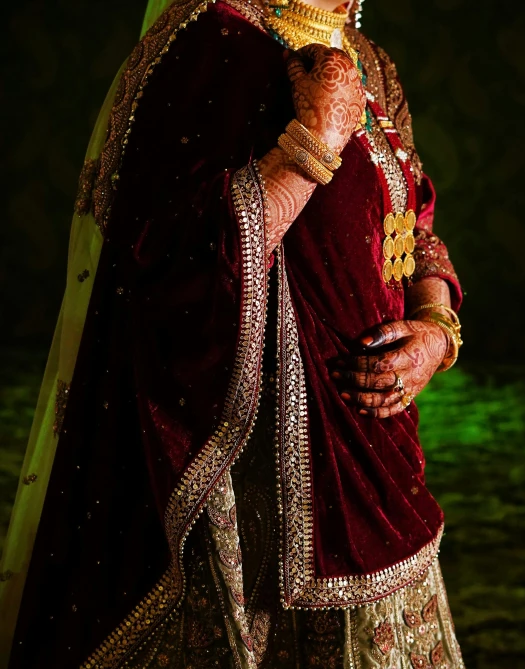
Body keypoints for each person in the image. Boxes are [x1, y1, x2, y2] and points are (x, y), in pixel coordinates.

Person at [0, 0, 465, 666]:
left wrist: (436, 329)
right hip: (257, 470)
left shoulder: (371, 64)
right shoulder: (210, 41)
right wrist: (312, 144)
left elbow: (415, 223)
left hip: (378, 451)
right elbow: (167, 258)